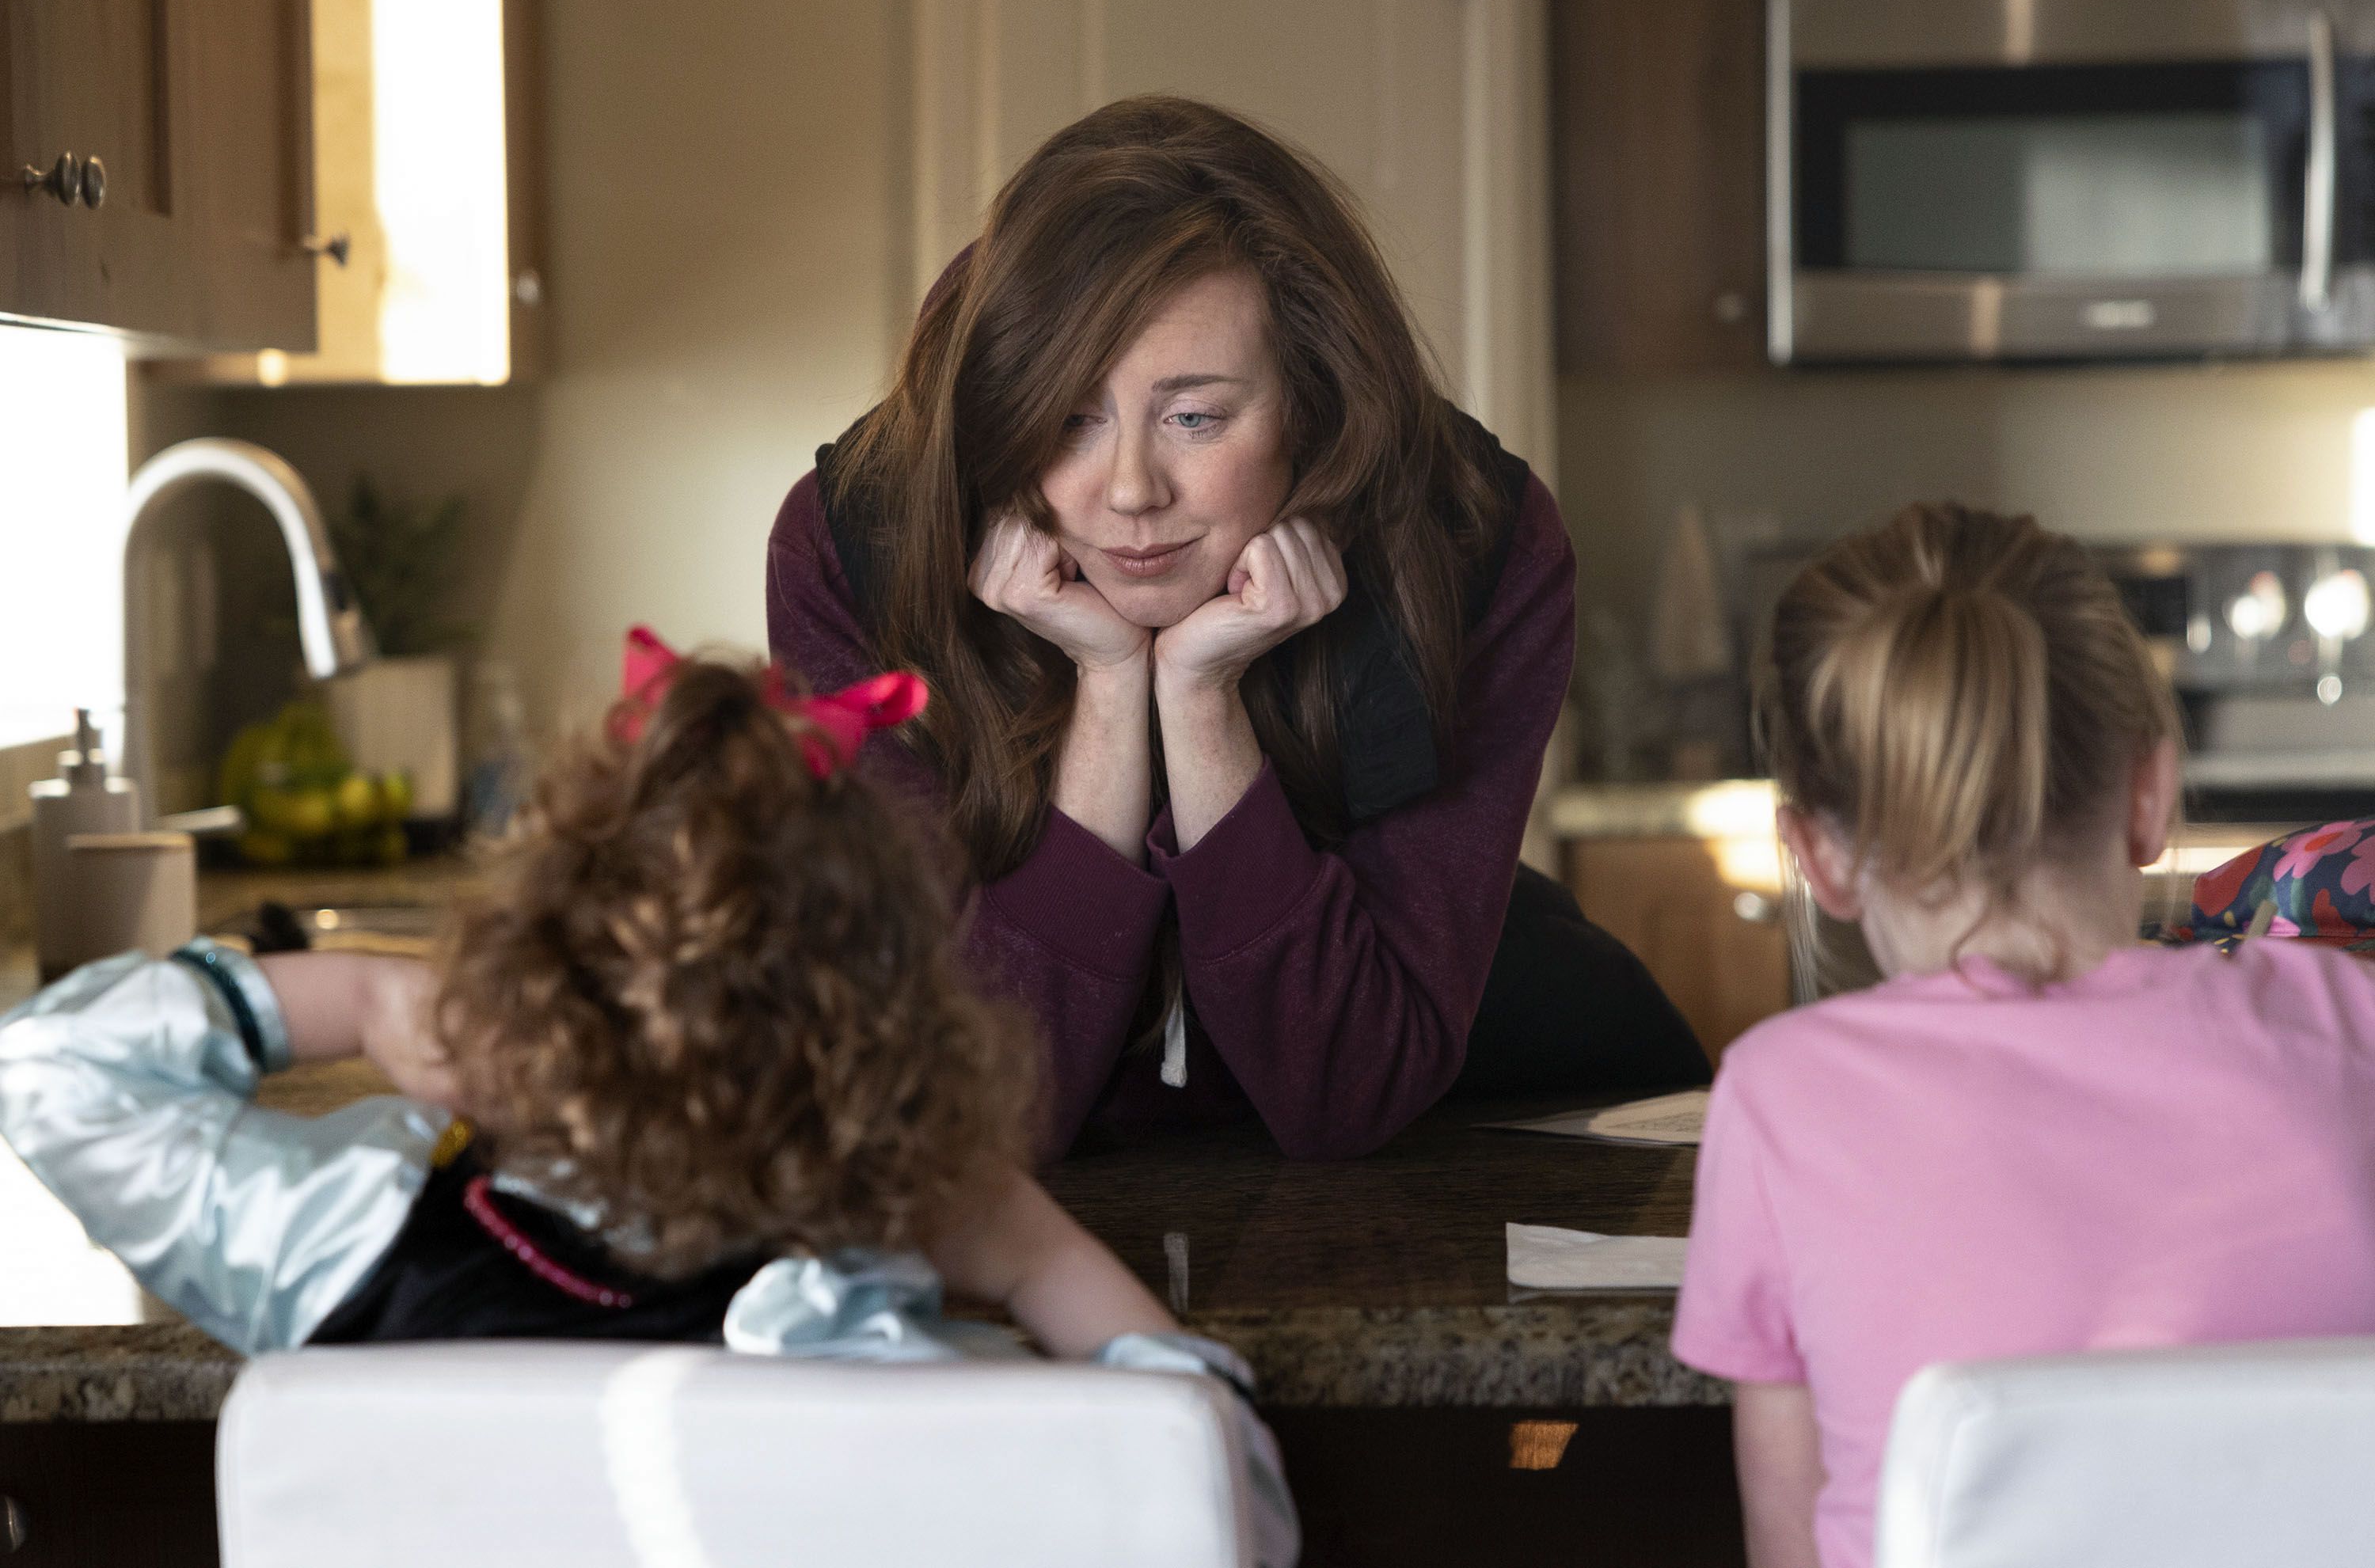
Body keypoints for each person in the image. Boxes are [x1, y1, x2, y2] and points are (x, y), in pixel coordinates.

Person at [0, 636, 1295, 1566]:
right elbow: (1203, 1481)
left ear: (519, 986)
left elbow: (46, 1070)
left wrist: (370, 998)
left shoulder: (337, 1242)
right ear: (899, 1042)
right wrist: (1025, 1247)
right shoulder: (861, 1332)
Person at [767, 95, 1705, 1163]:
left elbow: (1348, 1090)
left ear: (1312, 403)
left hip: (1466, 1122)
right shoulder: (856, 546)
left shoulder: (1470, 539)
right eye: (1069, 416)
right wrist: (1111, 693)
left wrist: (1202, 706)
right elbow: (972, 1114)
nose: (1128, 490)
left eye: (1195, 416)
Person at [1670, 503, 2375, 1568]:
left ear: (1816, 856)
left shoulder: (1777, 1100)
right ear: (2149, 795)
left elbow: (1792, 1545)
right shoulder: (2347, 1026)